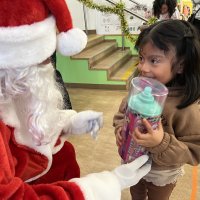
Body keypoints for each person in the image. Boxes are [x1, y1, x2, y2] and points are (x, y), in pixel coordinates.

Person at [0, 0, 151, 199]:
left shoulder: (9, 87)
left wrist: (68, 123)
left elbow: (21, 122)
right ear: (15, 64)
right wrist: (104, 185)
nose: (49, 66)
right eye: (44, 59)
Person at [113, 19, 200, 200]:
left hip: (162, 173)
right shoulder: (139, 90)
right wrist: (121, 128)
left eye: (154, 60)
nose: (143, 67)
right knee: (135, 194)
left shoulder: (186, 108)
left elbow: (194, 151)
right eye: (142, 58)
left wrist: (160, 142)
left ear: (181, 65)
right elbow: (123, 113)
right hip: (132, 163)